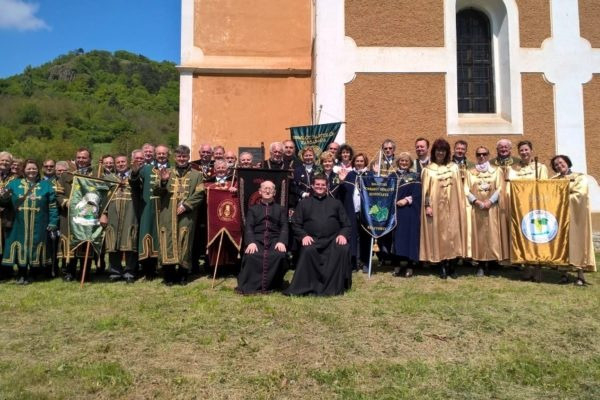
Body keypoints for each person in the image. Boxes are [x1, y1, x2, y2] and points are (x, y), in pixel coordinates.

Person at [285, 175, 352, 296]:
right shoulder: (303, 203)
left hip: (332, 241)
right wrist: (304, 236)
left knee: (343, 248)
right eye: (317, 184)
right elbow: (296, 224)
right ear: (312, 186)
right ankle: (307, 285)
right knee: (308, 250)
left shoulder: (336, 203)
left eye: (323, 185)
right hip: (312, 240)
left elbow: (346, 224)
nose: (320, 187)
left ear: (327, 186)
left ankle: (335, 286)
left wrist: (342, 235)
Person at [0, 160, 58, 284]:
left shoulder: (46, 185)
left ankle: (32, 273)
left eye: (34, 168)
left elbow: (52, 206)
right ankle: (21, 273)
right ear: (24, 170)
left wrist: (53, 222)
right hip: (18, 222)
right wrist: (3, 196)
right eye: (29, 168)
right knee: (20, 246)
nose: (32, 171)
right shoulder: (14, 184)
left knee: (35, 245)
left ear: (38, 170)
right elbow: (4, 202)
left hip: (40, 223)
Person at [156, 145, 205, 285]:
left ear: (188, 157)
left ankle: (183, 274)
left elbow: (200, 194)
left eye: (184, 156)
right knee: (168, 241)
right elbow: (156, 192)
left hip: (187, 214)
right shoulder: (166, 172)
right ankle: (169, 274)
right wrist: (163, 181)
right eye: (179, 156)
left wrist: (186, 206)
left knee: (185, 241)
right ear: (175, 157)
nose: (182, 159)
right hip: (167, 213)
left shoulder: (197, 175)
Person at [420, 138, 467, 279]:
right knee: (440, 236)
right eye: (438, 150)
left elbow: (459, 188)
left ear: (447, 152)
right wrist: (427, 205)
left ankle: (452, 265)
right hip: (436, 207)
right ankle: (442, 266)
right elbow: (425, 191)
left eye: (443, 150)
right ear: (434, 152)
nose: (440, 153)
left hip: (453, 206)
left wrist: (460, 206)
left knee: (454, 235)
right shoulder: (428, 170)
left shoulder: (454, 168)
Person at [551, 155, 597, 285]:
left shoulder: (579, 177)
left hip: (576, 216)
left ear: (567, 162)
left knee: (578, 243)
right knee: (562, 243)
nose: (559, 166)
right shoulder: (553, 180)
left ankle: (580, 275)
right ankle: (563, 274)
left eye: (561, 162)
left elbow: (580, 194)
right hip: (560, 216)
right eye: (556, 165)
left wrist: (561, 197)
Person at [236, 181, 288, 294]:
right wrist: (251, 242)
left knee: (279, 255)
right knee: (252, 255)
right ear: (260, 191)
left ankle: (274, 284)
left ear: (274, 192)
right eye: (265, 188)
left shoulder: (281, 209)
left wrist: (281, 242)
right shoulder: (253, 209)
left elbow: (284, 226)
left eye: (270, 189)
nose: (267, 191)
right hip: (257, 240)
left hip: (275, 240)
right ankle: (251, 284)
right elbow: (249, 227)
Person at [130, 144, 170, 279]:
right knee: (148, 234)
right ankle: (149, 270)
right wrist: (134, 173)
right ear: (155, 155)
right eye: (159, 154)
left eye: (164, 154)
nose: (161, 156)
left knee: (165, 236)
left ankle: (166, 267)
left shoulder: (173, 169)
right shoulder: (146, 169)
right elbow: (135, 185)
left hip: (166, 207)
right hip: (148, 208)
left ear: (168, 155)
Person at [465, 146, 506, 276]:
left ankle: (493, 263)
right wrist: (476, 201)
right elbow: (465, 189)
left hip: (492, 208)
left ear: (488, 155)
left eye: (484, 154)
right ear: (476, 156)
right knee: (479, 236)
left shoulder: (496, 171)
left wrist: (490, 201)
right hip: (477, 208)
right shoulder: (470, 172)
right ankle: (481, 264)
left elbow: (500, 188)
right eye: (479, 154)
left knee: (493, 235)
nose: (481, 156)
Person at [56, 147, 95, 281]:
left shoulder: (96, 175)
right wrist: (66, 202)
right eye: (79, 157)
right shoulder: (65, 175)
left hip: (88, 214)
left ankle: (85, 272)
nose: (81, 160)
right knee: (69, 243)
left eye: (84, 157)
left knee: (86, 243)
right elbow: (58, 194)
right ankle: (69, 272)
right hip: (69, 216)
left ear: (89, 159)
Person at [101, 155, 138, 283]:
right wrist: (104, 213)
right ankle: (115, 271)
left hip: (131, 212)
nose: (121, 164)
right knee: (113, 242)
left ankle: (129, 272)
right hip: (113, 213)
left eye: (123, 161)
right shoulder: (109, 178)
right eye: (118, 162)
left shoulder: (134, 176)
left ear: (128, 163)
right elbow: (103, 198)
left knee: (130, 241)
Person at [339, 153, 371, 272]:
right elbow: (343, 193)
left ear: (365, 162)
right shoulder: (349, 175)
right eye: (357, 161)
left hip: (365, 211)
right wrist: (341, 182)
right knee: (352, 236)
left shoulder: (370, 175)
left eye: (361, 161)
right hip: (351, 210)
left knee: (365, 236)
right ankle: (353, 261)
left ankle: (365, 261)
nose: (359, 163)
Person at [392, 152, 422, 277]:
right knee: (396, 238)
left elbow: (417, 193)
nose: (404, 163)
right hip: (395, 212)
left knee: (410, 237)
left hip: (409, 211)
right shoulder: (392, 175)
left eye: (406, 161)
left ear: (410, 163)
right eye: (401, 161)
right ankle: (397, 264)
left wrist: (406, 200)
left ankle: (410, 265)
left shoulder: (415, 176)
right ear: (398, 162)